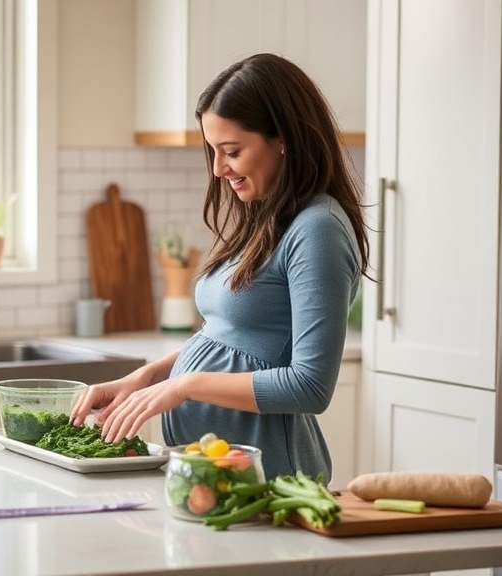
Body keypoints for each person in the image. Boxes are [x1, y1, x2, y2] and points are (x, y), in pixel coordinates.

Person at [70, 53, 370, 484]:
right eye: (213, 150)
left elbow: (310, 386)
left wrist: (183, 386)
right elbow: (228, 340)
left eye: (232, 151)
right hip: (214, 473)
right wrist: (145, 377)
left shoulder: (318, 229)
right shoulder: (268, 216)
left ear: (282, 138)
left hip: (269, 477)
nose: (217, 168)